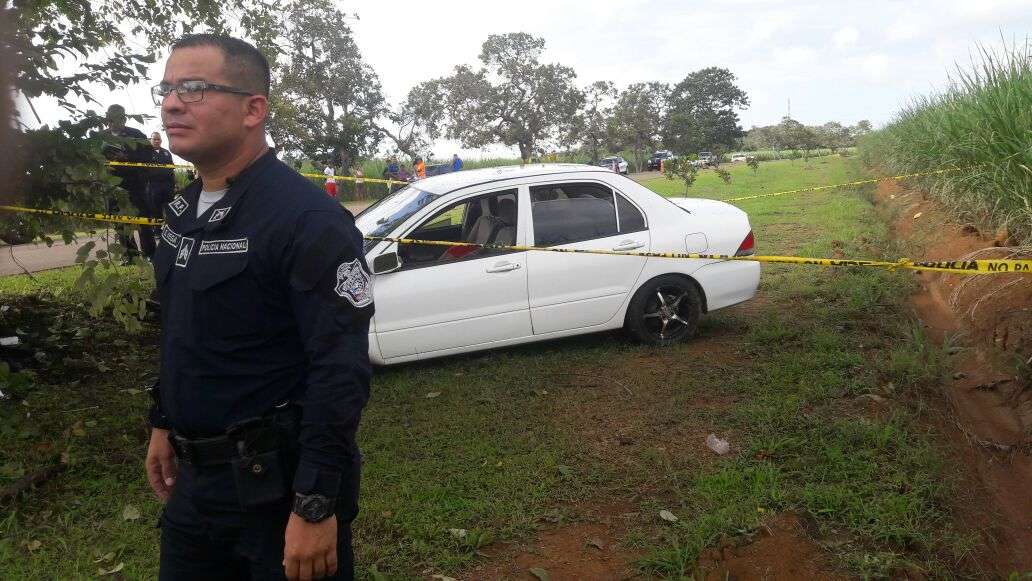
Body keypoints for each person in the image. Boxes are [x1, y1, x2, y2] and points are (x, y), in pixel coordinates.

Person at [146, 33, 373, 580]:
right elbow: (181, 330)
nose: (173, 102)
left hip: (275, 488)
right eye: (169, 87)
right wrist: (162, 422)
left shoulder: (307, 220)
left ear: (254, 109)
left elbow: (339, 371)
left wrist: (315, 505)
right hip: (195, 490)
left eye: (196, 88)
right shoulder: (183, 213)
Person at [100, 104, 149, 260]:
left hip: (135, 184)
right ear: (107, 119)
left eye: (118, 119)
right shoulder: (101, 137)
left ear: (124, 119)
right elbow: (94, 159)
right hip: (112, 185)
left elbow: (148, 157)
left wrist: (128, 158)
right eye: (111, 120)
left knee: (143, 220)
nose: (114, 123)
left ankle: (150, 253)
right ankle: (130, 255)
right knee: (119, 222)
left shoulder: (136, 134)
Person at [140, 132, 177, 258]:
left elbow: (171, 169)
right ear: (150, 140)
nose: (157, 141)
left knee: (170, 208)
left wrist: (174, 184)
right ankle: (157, 231)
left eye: (159, 139)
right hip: (153, 185)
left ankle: (171, 229)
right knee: (155, 209)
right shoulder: (146, 153)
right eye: (154, 139)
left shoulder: (166, 153)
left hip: (167, 186)